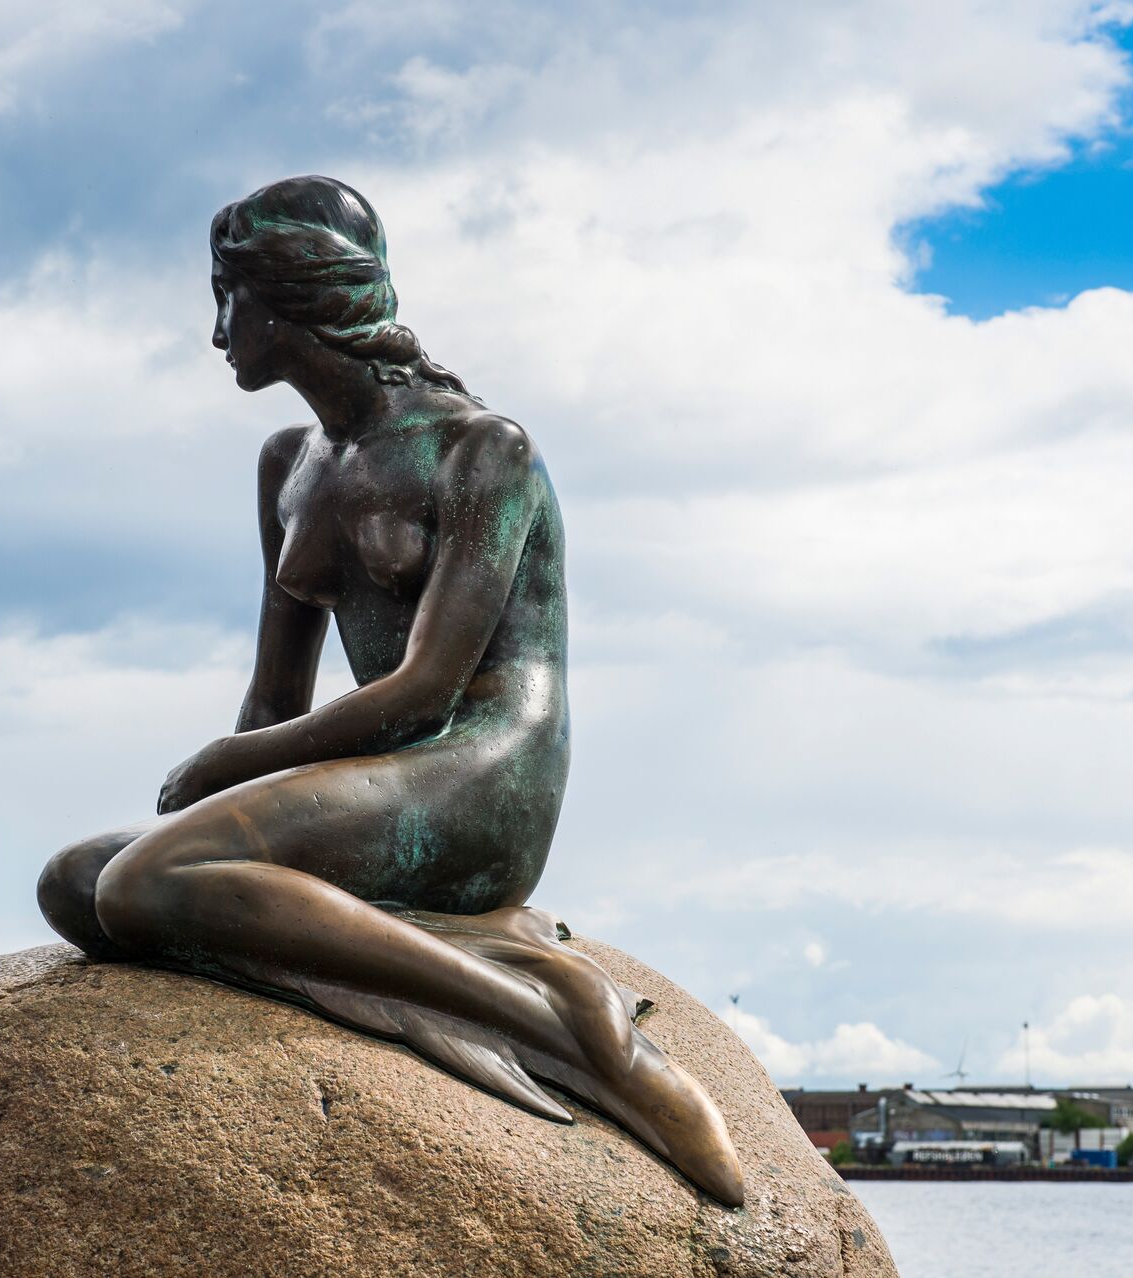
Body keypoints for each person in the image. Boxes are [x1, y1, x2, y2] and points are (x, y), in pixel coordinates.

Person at [37, 175, 742, 1205]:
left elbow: (423, 695)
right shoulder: (289, 462)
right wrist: (225, 789)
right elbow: (276, 704)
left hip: (481, 769)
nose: (218, 330)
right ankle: (424, 954)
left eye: (228, 296)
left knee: (146, 886)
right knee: (77, 883)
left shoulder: (481, 450)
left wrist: (230, 772)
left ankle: (563, 1028)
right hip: (381, 772)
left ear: (294, 296)